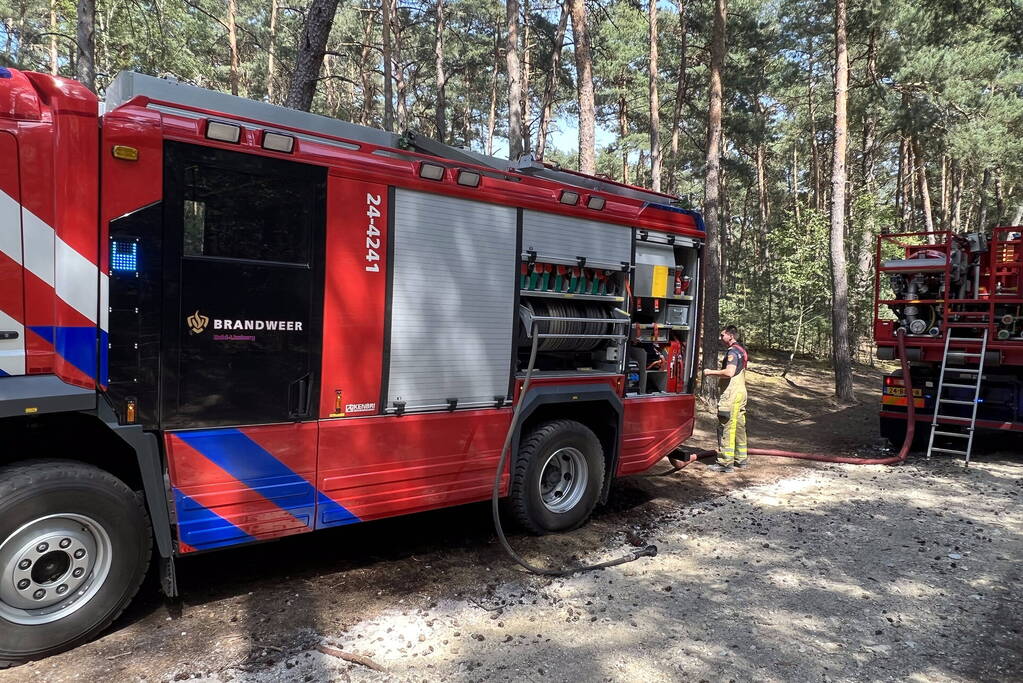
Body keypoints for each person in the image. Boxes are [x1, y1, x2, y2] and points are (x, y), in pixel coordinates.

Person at [702, 325, 748, 473]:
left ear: (731, 336)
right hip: (741, 392)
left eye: (722, 335)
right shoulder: (741, 350)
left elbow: (729, 372)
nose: (720, 338)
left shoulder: (733, 352)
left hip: (731, 394)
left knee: (726, 426)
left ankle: (725, 462)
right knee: (739, 426)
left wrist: (710, 372)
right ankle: (741, 459)